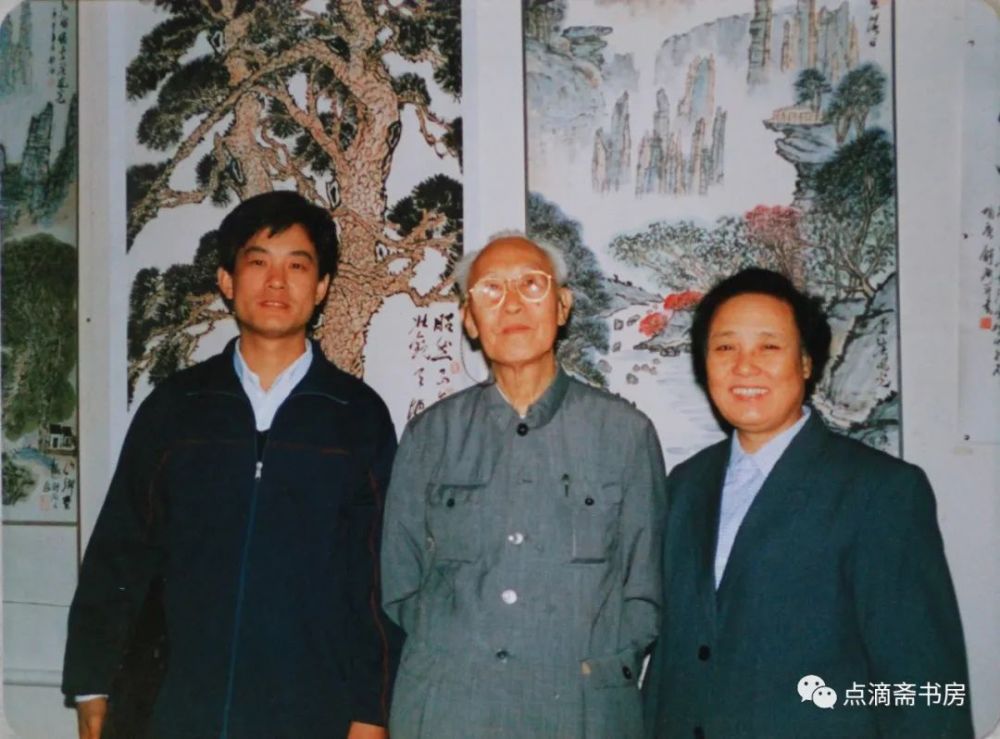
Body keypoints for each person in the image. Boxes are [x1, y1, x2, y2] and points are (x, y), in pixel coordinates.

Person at [63, 191, 401, 739]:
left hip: (310, 711)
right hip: (175, 709)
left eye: (297, 266)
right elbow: (119, 550)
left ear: (321, 287)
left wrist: (372, 711)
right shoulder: (176, 407)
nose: (276, 282)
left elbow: (378, 579)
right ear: (227, 280)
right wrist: (90, 682)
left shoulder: (357, 416)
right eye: (258, 262)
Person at [642, 268, 973, 738]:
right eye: (725, 348)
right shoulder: (685, 484)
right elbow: (672, 662)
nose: (745, 366)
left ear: (805, 363)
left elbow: (924, 689)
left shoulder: (881, 492)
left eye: (769, 347)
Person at [381, 232, 667, 738]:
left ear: (562, 306)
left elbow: (644, 592)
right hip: (451, 713)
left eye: (531, 285)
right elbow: (400, 585)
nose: (512, 303)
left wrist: (588, 664)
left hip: (580, 714)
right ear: (470, 319)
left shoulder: (625, 434)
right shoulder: (431, 436)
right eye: (491, 289)